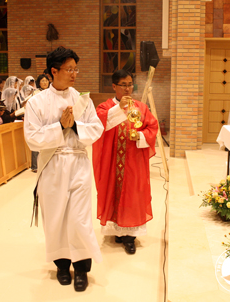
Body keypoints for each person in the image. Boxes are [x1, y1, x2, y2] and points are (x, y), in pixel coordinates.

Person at [24, 47, 104, 292]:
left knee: (79, 219)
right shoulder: (36, 102)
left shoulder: (82, 99)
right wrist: (59, 126)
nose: (74, 74)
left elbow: (96, 128)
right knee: (56, 217)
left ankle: (81, 268)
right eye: (69, 69)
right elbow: (32, 138)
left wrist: (75, 127)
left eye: (75, 69)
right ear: (53, 71)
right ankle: (61, 264)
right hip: (52, 165)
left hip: (78, 163)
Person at [92, 69, 158, 254]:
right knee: (113, 192)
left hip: (133, 162)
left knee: (132, 194)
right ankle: (117, 231)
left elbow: (153, 127)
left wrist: (140, 135)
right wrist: (118, 108)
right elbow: (99, 127)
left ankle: (130, 237)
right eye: (124, 85)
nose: (128, 88)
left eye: (130, 84)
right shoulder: (105, 108)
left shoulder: (140, 107)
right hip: (112, 162)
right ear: (114, 86)